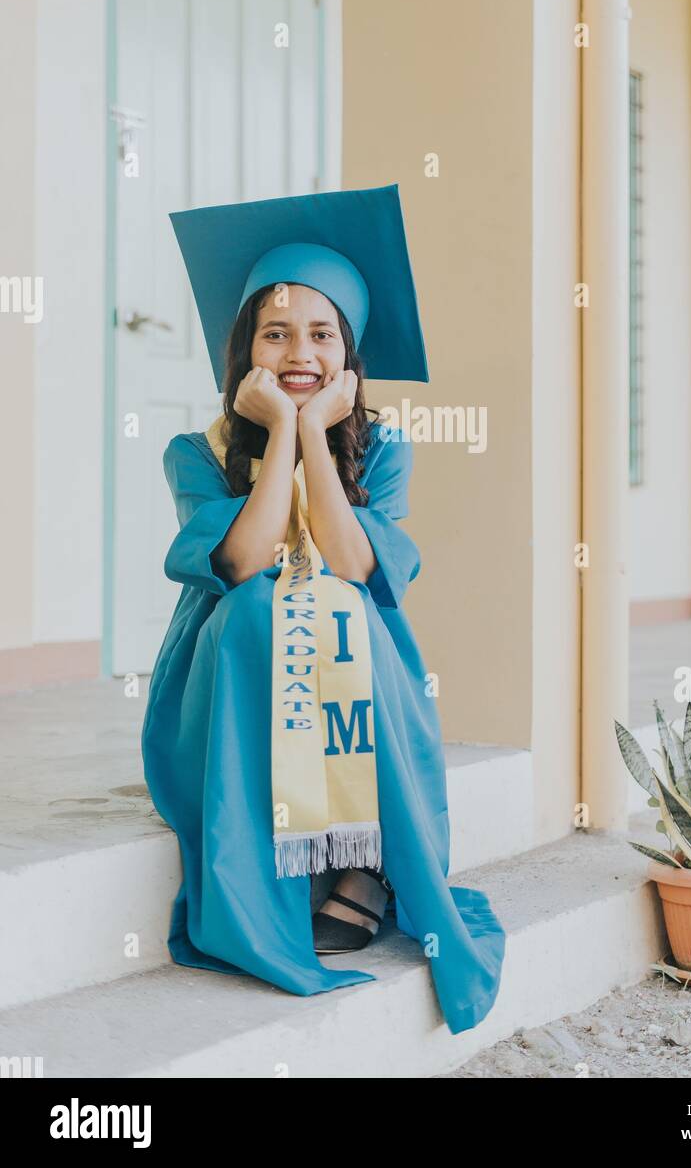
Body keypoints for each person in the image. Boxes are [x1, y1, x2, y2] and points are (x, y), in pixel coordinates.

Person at [141, 184, 506, 1036]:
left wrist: (313, 434)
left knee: (340, 605)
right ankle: (270, 876)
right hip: (226, 675)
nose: (298, 350)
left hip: (356, 663)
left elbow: (350, 560)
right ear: (245, 350)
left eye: (320, 332)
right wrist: (277, 436)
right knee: (255, 612)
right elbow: (243, 560)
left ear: (348, 353)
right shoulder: (195, 452)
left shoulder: (382, 449)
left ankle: (366, 857)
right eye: (275, 333)